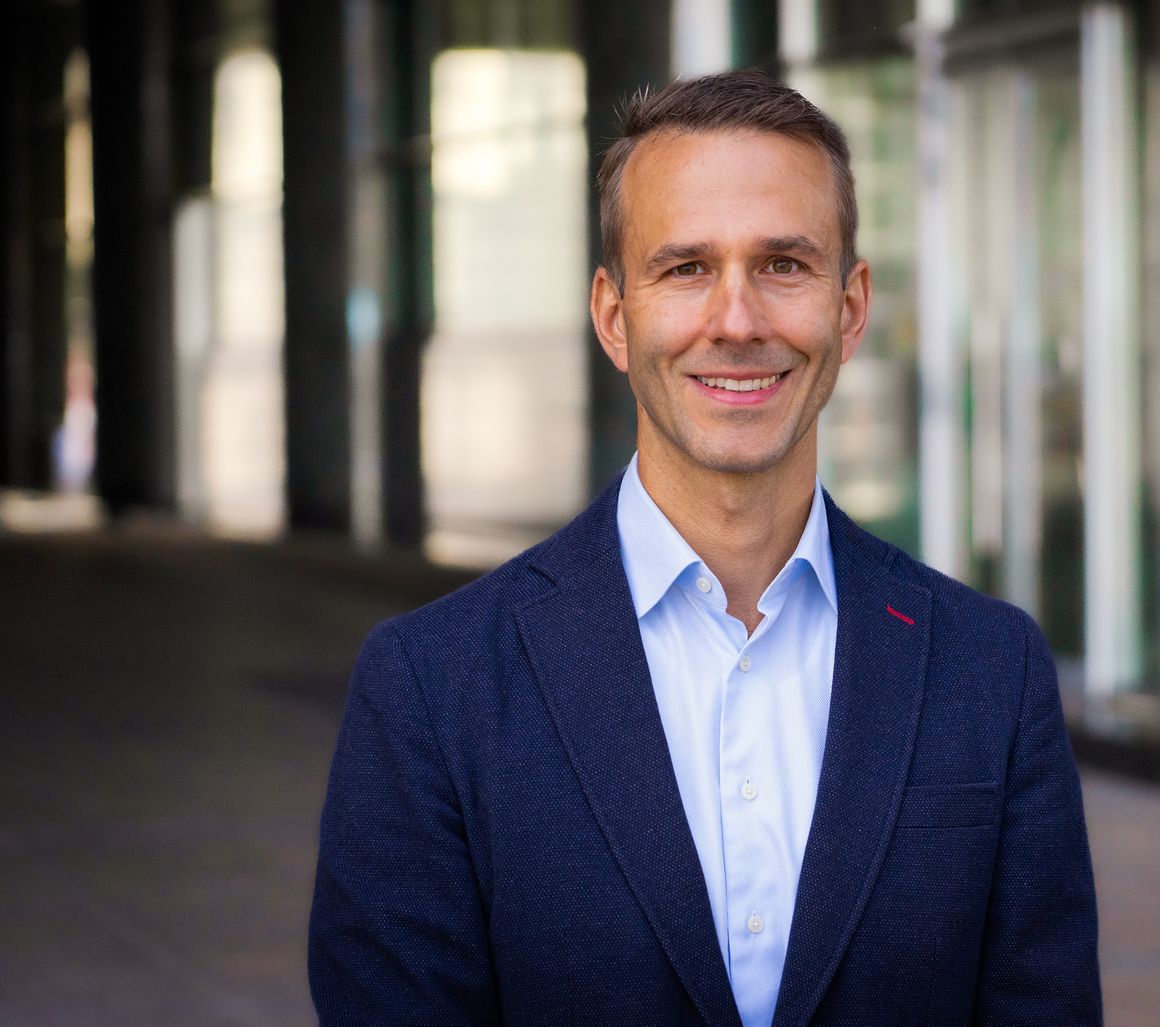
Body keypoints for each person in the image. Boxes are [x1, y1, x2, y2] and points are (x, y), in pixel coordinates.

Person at [309, 69, 1100, 1026]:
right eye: (686, 268)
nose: (737, 321)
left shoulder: (992, 668)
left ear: (850, 308)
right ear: (614, 316)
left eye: (784, 264)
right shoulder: (433, 687)